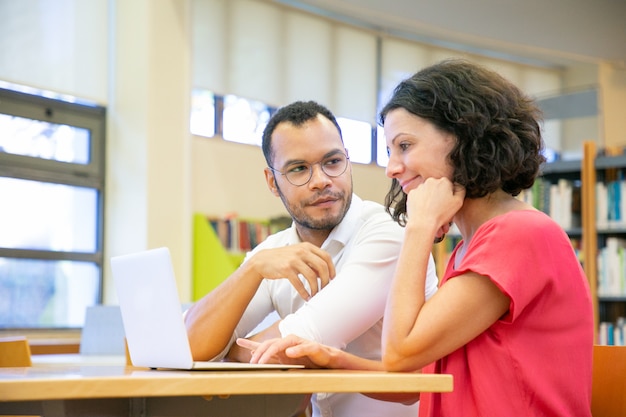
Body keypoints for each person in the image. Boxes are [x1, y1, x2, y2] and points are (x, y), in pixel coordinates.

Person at [238, 60, 594, 416]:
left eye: (404, 146)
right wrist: (330, 360)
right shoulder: (474, 247)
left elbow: (398, 352)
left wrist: (419, 227)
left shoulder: (519, 235)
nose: (392, 167)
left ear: (464, 136)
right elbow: (416, 380)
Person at [184, 100, 439, 417]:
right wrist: (251, 270)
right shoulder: (272, 253)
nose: (321, 180)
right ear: (271, 182)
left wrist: (226, 350)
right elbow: (188, 347)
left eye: (332, 162)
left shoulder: (387, 234)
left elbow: (294, 346)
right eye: (299, 169)